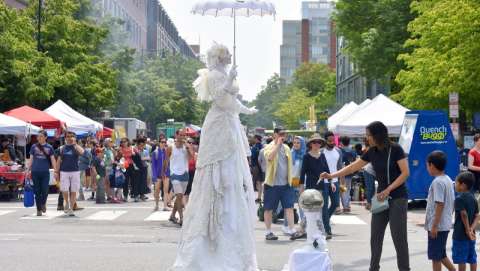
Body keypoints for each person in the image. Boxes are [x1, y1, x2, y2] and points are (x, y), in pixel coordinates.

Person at [170, 43, 258, 271]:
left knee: (231, 174)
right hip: (219, 125)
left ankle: (228, 228)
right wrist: (230, 81)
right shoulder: (214, 75)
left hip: (228, 123)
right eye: (226, 53)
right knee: (217, 170)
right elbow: (221, 99)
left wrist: (247, 110)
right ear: (220, 56)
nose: (229, 56)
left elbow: (232, 103)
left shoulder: (224, 74)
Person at [320, 121, 410, 271]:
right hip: (381, 198)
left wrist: (388, 189)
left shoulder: (395, 149)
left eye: (368, 135)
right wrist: (331, 175)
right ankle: (373, 268)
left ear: (377, 135)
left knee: (399, 238)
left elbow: (405, 173)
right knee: (375, 237)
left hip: (398, 197)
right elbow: (353, 167)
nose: (366, 138)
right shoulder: (371, 151)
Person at [291, 134, 327, 240]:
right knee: (310, 210)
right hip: (310, 186)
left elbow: (327, 171)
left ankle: (309, 231)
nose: (317, 144)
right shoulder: (306, 156)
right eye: (314, 142)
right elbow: (303, 173)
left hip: (321, 186)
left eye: (319, 142)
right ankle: (319, 232)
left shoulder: (323, 155)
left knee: (318, 210)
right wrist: (301, 187)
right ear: (310, 144)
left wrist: (332, 182)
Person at [263, 127, 297, 240]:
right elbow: (270, 157)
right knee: (268, 209)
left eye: (285, 134)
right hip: (272, 184)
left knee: (289, 207)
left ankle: (292, 230)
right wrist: (277, 145)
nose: (283, 136)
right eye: (281, 134)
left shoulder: (287, 148)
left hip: (286, 184)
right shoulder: (268, 147)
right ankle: (268, 232)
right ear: (275, 135)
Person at [424, 151, 455, 271]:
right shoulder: (447, 179)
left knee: (435, 257)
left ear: (431, 165)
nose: (427, 168)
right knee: (441, 254)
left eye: (427, 165)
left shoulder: (437, 182)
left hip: (438, 226)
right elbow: (451, 202)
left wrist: (434, 226)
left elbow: (440, 204)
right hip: (445, 224)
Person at [452, 172, 479, 271]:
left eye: (456, 182)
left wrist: (467, 230)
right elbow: (477, 216)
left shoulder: (459, 199)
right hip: (472, 235)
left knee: (461, 259)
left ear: (462, 185)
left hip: (460, 235)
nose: (455, 184)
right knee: (472, 257)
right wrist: (472, 229)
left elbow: (463, 214)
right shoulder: (473, 198)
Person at [25, 130, 56, 216]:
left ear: (45, 137)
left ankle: (43, 203)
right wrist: (28, 170)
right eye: (38, 136)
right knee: (37, 191)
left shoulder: (49, 147)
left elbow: (53, 159)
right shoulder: (33, 146)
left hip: (45, 172)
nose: (39, 138)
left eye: (41, 136)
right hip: (35, 172)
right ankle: (39, 209)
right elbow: (31, 159)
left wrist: (56, 170)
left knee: (45, 190)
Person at [320, 131, 344, 238]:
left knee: (335, 204)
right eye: (329, 141)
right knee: (324, 206)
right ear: (325, 140)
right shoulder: (321, 152)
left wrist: (342, 183)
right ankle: (327, 229)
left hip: (335, 181)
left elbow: (341, 168)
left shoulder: (338, 151)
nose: (332, 142)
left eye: (333, 140)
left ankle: (325, 219)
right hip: (324, 182)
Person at [168, 129, 194, 225]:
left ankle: (172, 215)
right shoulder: (171, 147)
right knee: (179, 195)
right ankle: (182, 218)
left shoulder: (187, 146)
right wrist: (164, 172)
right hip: (174, 174)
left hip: (185, 174)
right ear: (176, 135)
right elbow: (166, 160)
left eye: (184, 135)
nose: (183, 137)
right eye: (181, 135)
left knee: (179, 197)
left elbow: (192, 157)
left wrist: (188, 147)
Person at [56, 131, 84, 216]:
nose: (70, 138)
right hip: (64, 171)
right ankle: (67, 202)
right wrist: (56, 172)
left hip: (75, 171)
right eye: (68, 136)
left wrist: (75, 144)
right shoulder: (62, 148)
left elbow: (82, 152)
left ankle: (71, 208)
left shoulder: (76, 147)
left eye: (72, 136)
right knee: (64, 190)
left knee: (74, 190)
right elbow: (58, 161)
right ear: (65, 138)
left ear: (75, 138)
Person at [152, 136, 170, 211]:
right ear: (159, 143)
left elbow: (169, 164)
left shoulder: (167, 152)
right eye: (162, 142)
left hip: (166, 174)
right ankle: (156, 205)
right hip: (158, 175)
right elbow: (153, 165)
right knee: (157, 190)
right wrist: (155, 175)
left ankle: (165, 206)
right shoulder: (155, 152)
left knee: (166, 190)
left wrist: (167, 173)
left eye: (164, 142)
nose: (163, 143)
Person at [339, 135, 357, 213]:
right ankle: (347, 205)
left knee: (343, 190)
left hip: (342, 173)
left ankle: (345, 206)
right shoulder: (353, 151)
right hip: (350, 173)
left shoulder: (340, 151)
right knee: (348, 189)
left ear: (341, 143)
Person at [250, 135, 263, 203]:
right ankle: (259, 196)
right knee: (259, 182)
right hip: (261, 167)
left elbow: (253, 156)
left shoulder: (255, 147)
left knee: (256, 182)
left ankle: (258, 197)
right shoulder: (262, 146)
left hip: (256, 166)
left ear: (256, 139)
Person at [184, 138, 198, 205]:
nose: (191, 144)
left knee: (191, 190)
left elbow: (196, 164)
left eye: (192, 143)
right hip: (185, 172)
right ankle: (185, 205)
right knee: (185, 190)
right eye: (189, 142)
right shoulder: (184, 153)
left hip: (193, 173)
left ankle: (188, 204)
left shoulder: (195, 154)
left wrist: (191, 151)